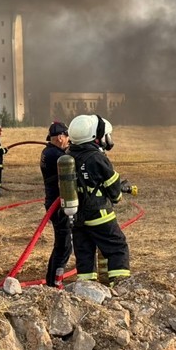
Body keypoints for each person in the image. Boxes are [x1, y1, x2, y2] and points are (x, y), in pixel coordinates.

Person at [67, 114, 131, 284]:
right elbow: (113, 189)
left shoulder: (68, 155)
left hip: (76, 216)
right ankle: (120, 286)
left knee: (85, 254)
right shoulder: (96, 158)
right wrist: (118, 194)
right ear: (94, 136)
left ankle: (86, 290)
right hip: (99, 214)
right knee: (118, 247)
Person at [39, 120, 73, 287]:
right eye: (67, 137)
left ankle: (51, 279)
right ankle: (55, 281)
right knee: (65, 245)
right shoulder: (57, 157)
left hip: (54, 203)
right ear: (60, 137)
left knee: (61, 243)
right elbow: (71, 164)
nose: (68, 140)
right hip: (58, 206)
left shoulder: (48, 152)